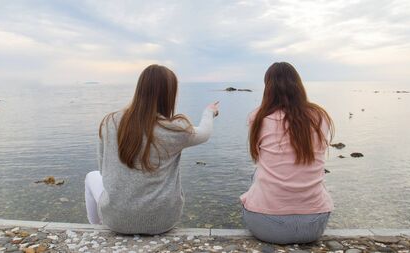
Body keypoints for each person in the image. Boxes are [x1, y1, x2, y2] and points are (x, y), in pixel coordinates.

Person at [85, 64, 219, 234]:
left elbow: (104, 171)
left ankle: (96, 229)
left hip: (115, 220)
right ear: (169, 94)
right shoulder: (174, 129)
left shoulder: (110, 122)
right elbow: (205, 133)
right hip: (162, 221)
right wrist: (209, 112)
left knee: (92, 176)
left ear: (140, 89)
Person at [241, 62, 334, 244]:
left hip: (266, 226)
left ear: (268, 88)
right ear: (298, 85)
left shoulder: (258, 118)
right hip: (314, 224)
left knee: (257, 173)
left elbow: (258, 157)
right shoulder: (319, 117)